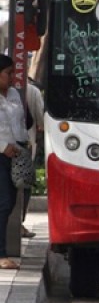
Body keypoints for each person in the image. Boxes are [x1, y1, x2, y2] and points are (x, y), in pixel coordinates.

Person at [0, 54, 28, 270]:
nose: (12, 78)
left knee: (9, 203)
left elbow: (20, 123)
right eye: (8, 73)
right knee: (4, 203)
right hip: (1, 154)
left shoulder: (14, 95)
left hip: (15, 155)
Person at [21, 80, 44, 238]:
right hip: (26, 146)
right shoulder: (32, 91)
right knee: (24, 186)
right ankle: (20, 224)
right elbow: (41, 120)